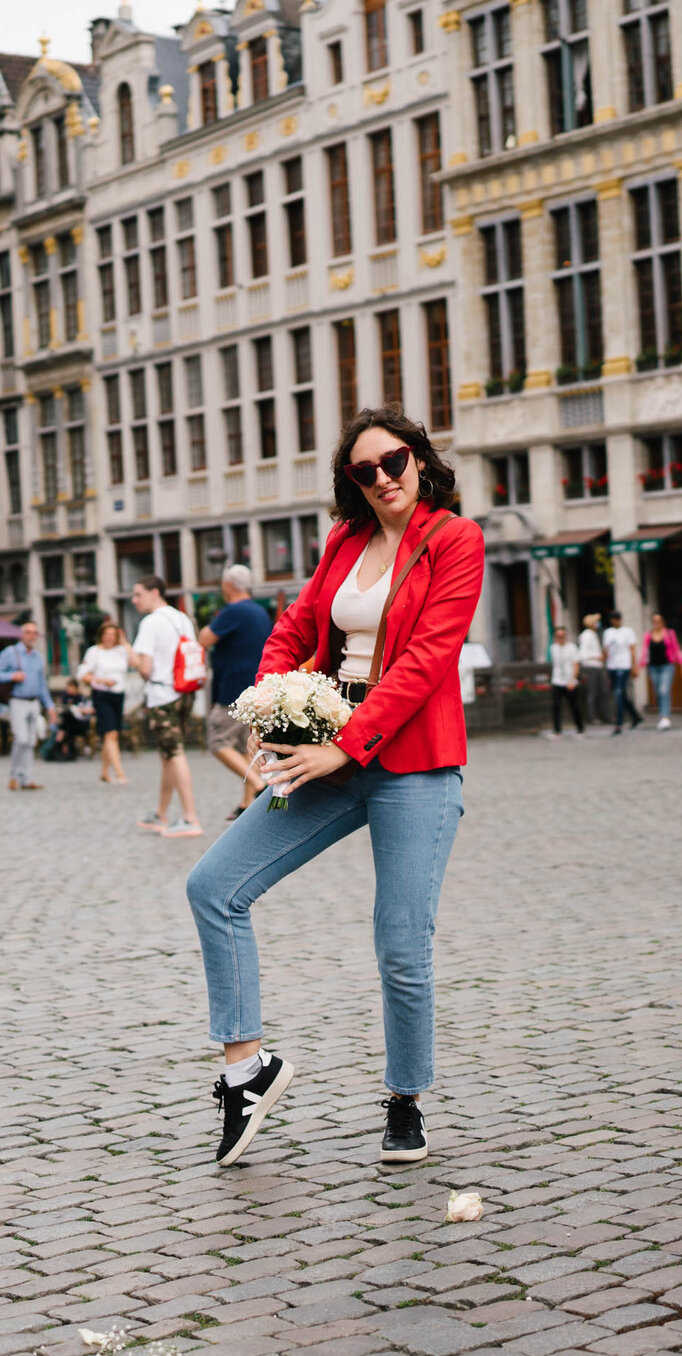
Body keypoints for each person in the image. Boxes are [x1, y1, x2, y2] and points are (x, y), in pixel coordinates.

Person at [185, 408, 483, 1169]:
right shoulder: (345, 541)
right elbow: (295, 626)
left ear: (419, 459)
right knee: (214, 884)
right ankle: (247, 1072)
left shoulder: (455, 540)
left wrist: (348, 745)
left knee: (400, 941)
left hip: (412, 763)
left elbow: (425, 661)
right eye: (364, 470)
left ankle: (406, 1100)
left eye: (394, 461)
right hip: (322, 752)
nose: (382, 477)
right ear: (350, 481)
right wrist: (267, 702)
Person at [128, 576, 203, 837]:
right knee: (168, 755)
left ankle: (190, 818)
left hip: (163, 694)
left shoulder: (150, 622)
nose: (134, 600)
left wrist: (134, 660)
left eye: (138, 594)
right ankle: (161, 813)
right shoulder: (181, 618)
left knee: (174, 754)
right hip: (185, 691)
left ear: (154, 592)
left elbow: (146, 669)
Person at [200, 564, 273, 819]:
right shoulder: (260, 611)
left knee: (218, 740)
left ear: (228, 586)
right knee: (246, 746)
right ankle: (247, 804)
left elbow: (205, 638)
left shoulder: (233, 610)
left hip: (233, 687)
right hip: (256, 686)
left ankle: (258, 785)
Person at [0, 620, 54, 793]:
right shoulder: (11, 653)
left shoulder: (38, 656)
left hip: (34, 701)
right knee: (21, 739)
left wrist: (50, 706)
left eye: (34, 633)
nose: (32, 636)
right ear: (21, 634)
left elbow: (42, 684)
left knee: (31, 741)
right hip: (18, 700)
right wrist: (12, 676)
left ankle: (27, 778)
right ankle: (14, 776)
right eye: (28, 632)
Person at [78, 621, 133, 786]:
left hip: (118, 694)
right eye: (107, 634)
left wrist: (124, 642)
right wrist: (101, 680)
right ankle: (119, 772)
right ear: (101, 635)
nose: (110, 638)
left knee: (112, 733)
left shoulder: (121, 651)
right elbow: (83, 675)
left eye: (113, 635)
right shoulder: (94, 652)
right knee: (111, 734)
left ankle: (104, 772)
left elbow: (136, 662)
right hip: (102, 694)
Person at [600, 612, 642, 733]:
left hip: (624, 665)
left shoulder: (627, 631)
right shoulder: (608, 633)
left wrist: (634, 666)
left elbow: (632, 649)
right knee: (621, 695)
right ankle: (635, 716)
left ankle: (618, 723)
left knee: (618, 694)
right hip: (612, 666)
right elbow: (605, 650)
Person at [643, 613, 682, 730]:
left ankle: (664, 716)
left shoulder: (669, 634)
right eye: (654, 621)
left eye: (658, 621)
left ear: (663, 622)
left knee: (664, 690)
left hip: (667, 665)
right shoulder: (648, 635)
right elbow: (645, 651)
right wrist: (640, 665)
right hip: (653, 667)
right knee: (658, 692)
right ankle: (662, 715)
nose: (656, 624)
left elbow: (676, 649)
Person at [546, 621, 587, 736]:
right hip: (557, 680)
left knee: (574, 706)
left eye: (563, 636)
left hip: (570, 681)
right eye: (558, 636)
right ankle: (557, 730)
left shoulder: (572, 648)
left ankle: (580, 728)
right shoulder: (553, 648)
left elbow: (576, 665)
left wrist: (573, 680)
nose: (561, 639)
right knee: (556, 706)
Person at [576, 613, 609, 726]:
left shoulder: (594, 634)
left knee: (602, 692)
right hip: (591, 666)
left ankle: (603, 715)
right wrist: (597, 657)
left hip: (598, 666)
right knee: (593, 692)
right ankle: (592, 716)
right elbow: (582, 655)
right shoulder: (586, 636)